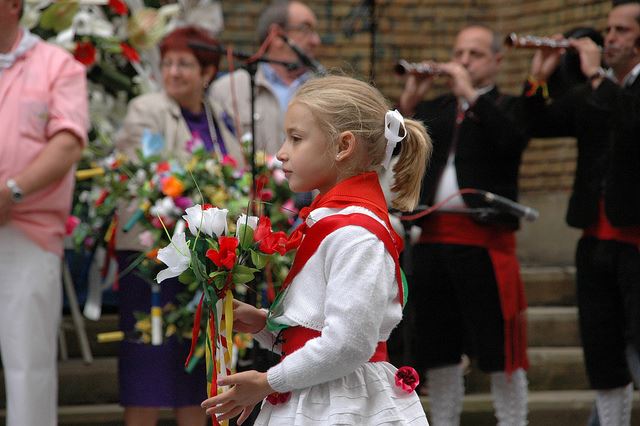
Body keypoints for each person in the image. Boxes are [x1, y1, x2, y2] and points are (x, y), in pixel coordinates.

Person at [200, 75, 431, 425]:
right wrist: (267, 325)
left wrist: (266, 382)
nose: (281, 152)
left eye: (296, 138)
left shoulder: (356, 234)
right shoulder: (338, 222)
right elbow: (323, 328)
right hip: (318, 392)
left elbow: (349, 345)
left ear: (343, 146)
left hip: (341, 402)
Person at [397, 24, 530, 425]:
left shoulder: (508, 106)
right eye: (459, 53)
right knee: (438, 346)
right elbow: (398, 157)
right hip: (434, 240)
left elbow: (511, 142)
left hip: (485, 240)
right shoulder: (436, 109)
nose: (463, 62)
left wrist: (471, 95)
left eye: (474, 54)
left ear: (496, 61)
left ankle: (513, 420)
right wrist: (408, 104)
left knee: (499, 350)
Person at [115, 25, 242, 426]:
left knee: (195, 364)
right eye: (167, 63)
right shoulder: (148, 109)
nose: (173, 72)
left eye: (184, 64)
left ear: (207, 72)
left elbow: (233, 174)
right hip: (153, 254)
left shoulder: (219, 117)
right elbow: (141, 177)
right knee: (148, 363)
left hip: (204, 261)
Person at [521, 1, 640, 424]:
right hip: (594, 238)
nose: (608, 38)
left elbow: (629, 123)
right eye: (608, 29)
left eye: (621, 30)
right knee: (602, 353)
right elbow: (539, 122)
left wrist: (594, 75)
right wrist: (540, 74)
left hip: (635, 241)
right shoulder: (595, 91)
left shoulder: (609, 88)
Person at [0, 0, 89, 424]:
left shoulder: (58, 65)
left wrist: (11, 191)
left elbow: (69, 142)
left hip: (27, 231)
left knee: (27, 364)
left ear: (14, 5)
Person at [210, 0, 322, 156]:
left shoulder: (324, 91)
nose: (316, 41)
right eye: (305, 29)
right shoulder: (226, 89)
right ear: (277, 36)